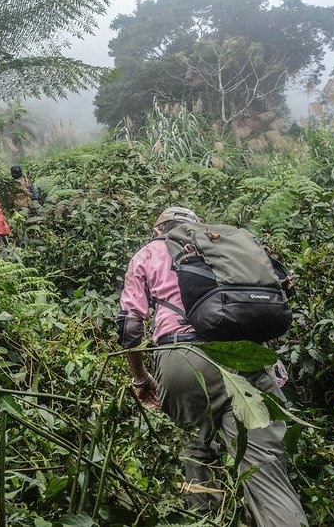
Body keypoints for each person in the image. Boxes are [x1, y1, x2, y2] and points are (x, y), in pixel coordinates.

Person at [117, 206, 309, 527]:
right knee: (267, 478)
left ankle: (209, 513)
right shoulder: (221, 250)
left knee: (196, 459)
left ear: (158, 230)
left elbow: (130, 325)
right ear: (198, 227)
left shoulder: (148, 253)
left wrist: (140, 378)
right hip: (244, 359)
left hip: (181, 362)